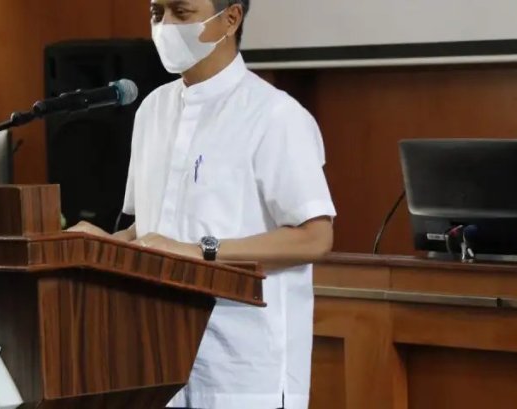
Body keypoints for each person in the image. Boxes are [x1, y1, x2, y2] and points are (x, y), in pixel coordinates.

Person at [68, 0, 335, 408]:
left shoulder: (275, 115)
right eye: (157, 13)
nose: (165, 26)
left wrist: (200, 251)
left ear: (230, 18)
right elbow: (149, 229)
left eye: (181, 13)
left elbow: (315, 238)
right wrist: (101, 245)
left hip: (243, 366)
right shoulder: (151, 109)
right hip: (158, 359)